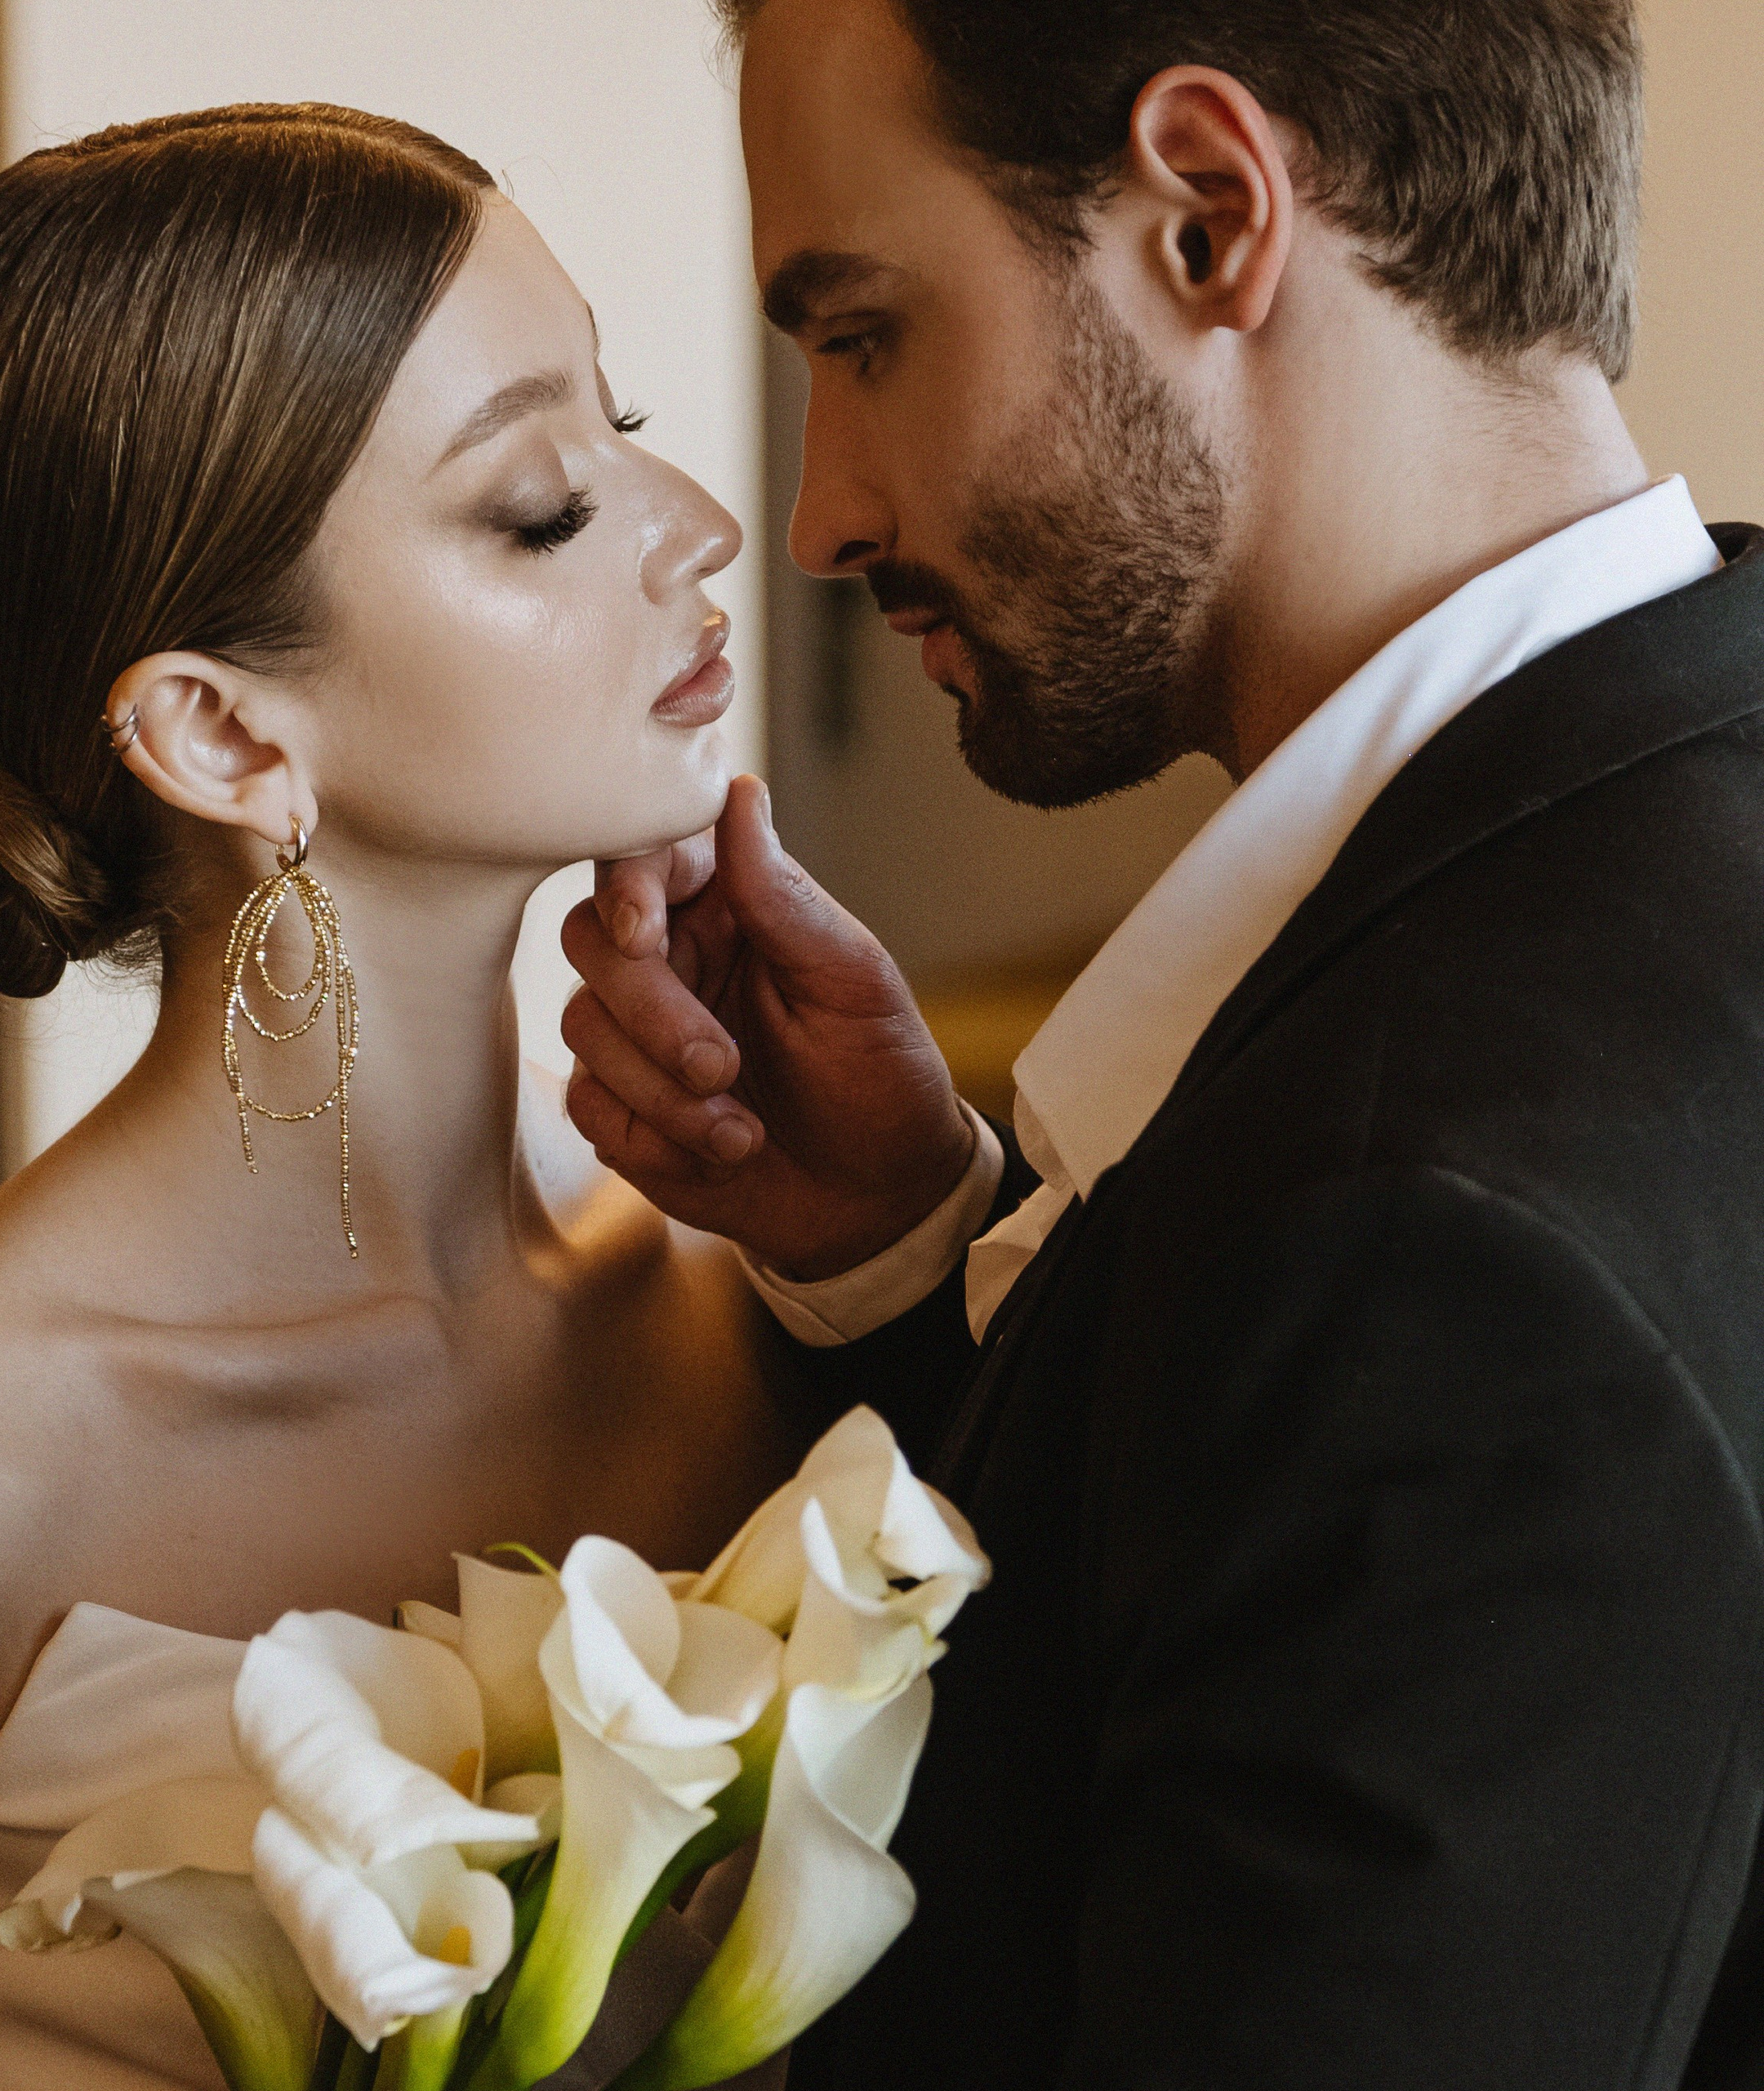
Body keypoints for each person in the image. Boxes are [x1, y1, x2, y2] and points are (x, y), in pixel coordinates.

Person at [562, 0, 1764, 2083]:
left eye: (861, 337)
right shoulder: (1685, 799)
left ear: (1209, 218)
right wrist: (918, 1249)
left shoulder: (1426, 1232)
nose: (824, 512)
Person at [0, 104, 813, 2091]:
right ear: (217, 727)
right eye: (546, 501)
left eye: (621, 423)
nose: (701, 522)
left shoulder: (748, 1302)